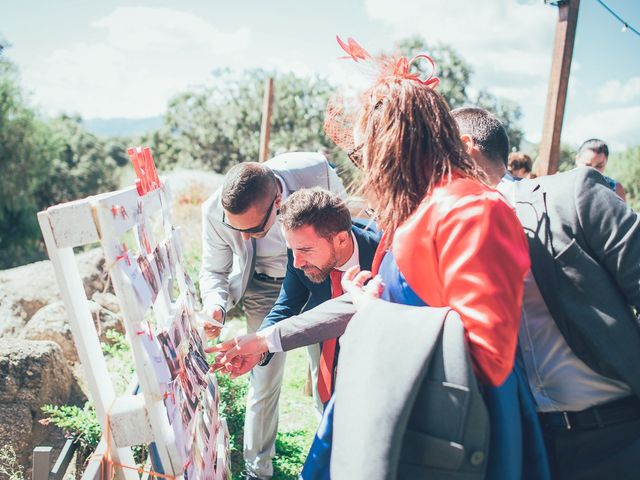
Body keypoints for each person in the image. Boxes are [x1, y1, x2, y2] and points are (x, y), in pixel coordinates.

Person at [216, 40, 548, 478]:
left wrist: (375, 314)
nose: (366, 170)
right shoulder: (416, 214)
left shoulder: (473, 211)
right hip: (406, 409)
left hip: (451, 437)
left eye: (365, 154)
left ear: (399, 148)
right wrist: (264, 340)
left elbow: (488, 358)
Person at [453, 107, 640, 479]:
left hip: (621, 436)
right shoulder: (450, 241)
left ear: (466, 147)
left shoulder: (572, 195)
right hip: (528, 447)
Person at [199, 152, 346, 479]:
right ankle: (257, 470)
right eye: (236, 229)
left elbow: (346, 227)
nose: (246, 237)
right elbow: (213, 270)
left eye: (253, 228)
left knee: (326, 373)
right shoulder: (213, 211)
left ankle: (332, 461)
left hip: (318, 283)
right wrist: (216, 306)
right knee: (263, 379)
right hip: (263, 290)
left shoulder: (317, 172)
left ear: (279, 200)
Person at [211, 187, 379, 407]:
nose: (297, 263)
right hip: (326, 358)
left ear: (341, 240)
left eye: (306, 250)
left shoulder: (383, 255)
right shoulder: (299, 252)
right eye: (292, 249)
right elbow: (287, 304)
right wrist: (260, 348)